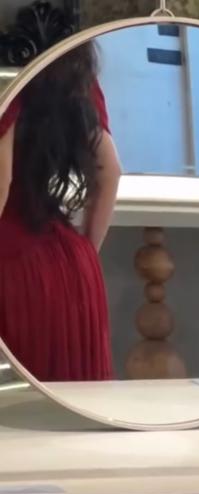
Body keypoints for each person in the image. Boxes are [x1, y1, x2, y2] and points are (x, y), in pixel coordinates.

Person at [0, 40, 121, 381]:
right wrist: (84, 252)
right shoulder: (71, 68)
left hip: (13, 268)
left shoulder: (8, 73)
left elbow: (1, 179)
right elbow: (111, 170)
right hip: (71, 266)